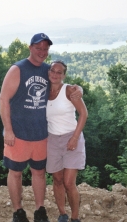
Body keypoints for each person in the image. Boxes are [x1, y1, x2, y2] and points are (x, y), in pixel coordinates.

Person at [0, 33, 83, 222]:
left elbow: (63, 85)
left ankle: (40, 210)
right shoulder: (17, 69)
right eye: (38, 48)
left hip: (41, 134)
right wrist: (9, 130)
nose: (42, 52)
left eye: (45, 49)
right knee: (16, 173)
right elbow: (3, 99)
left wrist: (79, 90)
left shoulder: (48, 71)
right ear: (30, 48)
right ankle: (18, 212)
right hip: (18, 133)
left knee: (38, 173)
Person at [46, 60, 87, 222]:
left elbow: (84, 114)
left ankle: (75, 217)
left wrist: (75, 138)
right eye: (52, 71)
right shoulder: (43, 91)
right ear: (48, 72)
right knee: (57, 179)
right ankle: (62, 213)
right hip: (52, 140)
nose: (55, 74)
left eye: (59, 72)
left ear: (64, 75)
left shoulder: (69, 90)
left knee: (69, 182)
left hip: (72, 137)